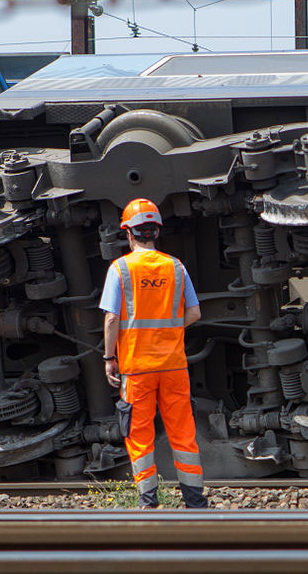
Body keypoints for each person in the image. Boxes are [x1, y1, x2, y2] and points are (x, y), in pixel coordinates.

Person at [100, 198, 207, 509]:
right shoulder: (175, 267)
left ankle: (149, 502)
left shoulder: (120, 269)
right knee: (183, 432)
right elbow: (195, 313)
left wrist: (109, 358)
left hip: (137, 368)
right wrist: (170, 329)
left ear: (129, 234)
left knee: (139, 435)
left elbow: (111, 318)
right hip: (174, 366)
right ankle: (195, 501)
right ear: (155, 232)